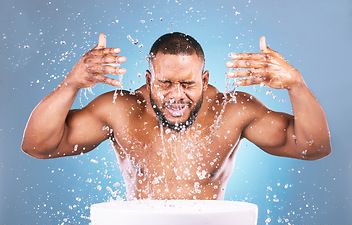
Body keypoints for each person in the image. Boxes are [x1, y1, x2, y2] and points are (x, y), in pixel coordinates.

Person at [22, 32, 331, 200]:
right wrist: (72, 83)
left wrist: (296, 85)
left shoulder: (233, 110)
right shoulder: (120, 108)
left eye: (187, 84)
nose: (176, 96)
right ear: (148, 80)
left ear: (205, 80)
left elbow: (312, 147)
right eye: (165, 83)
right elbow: (39, 145)